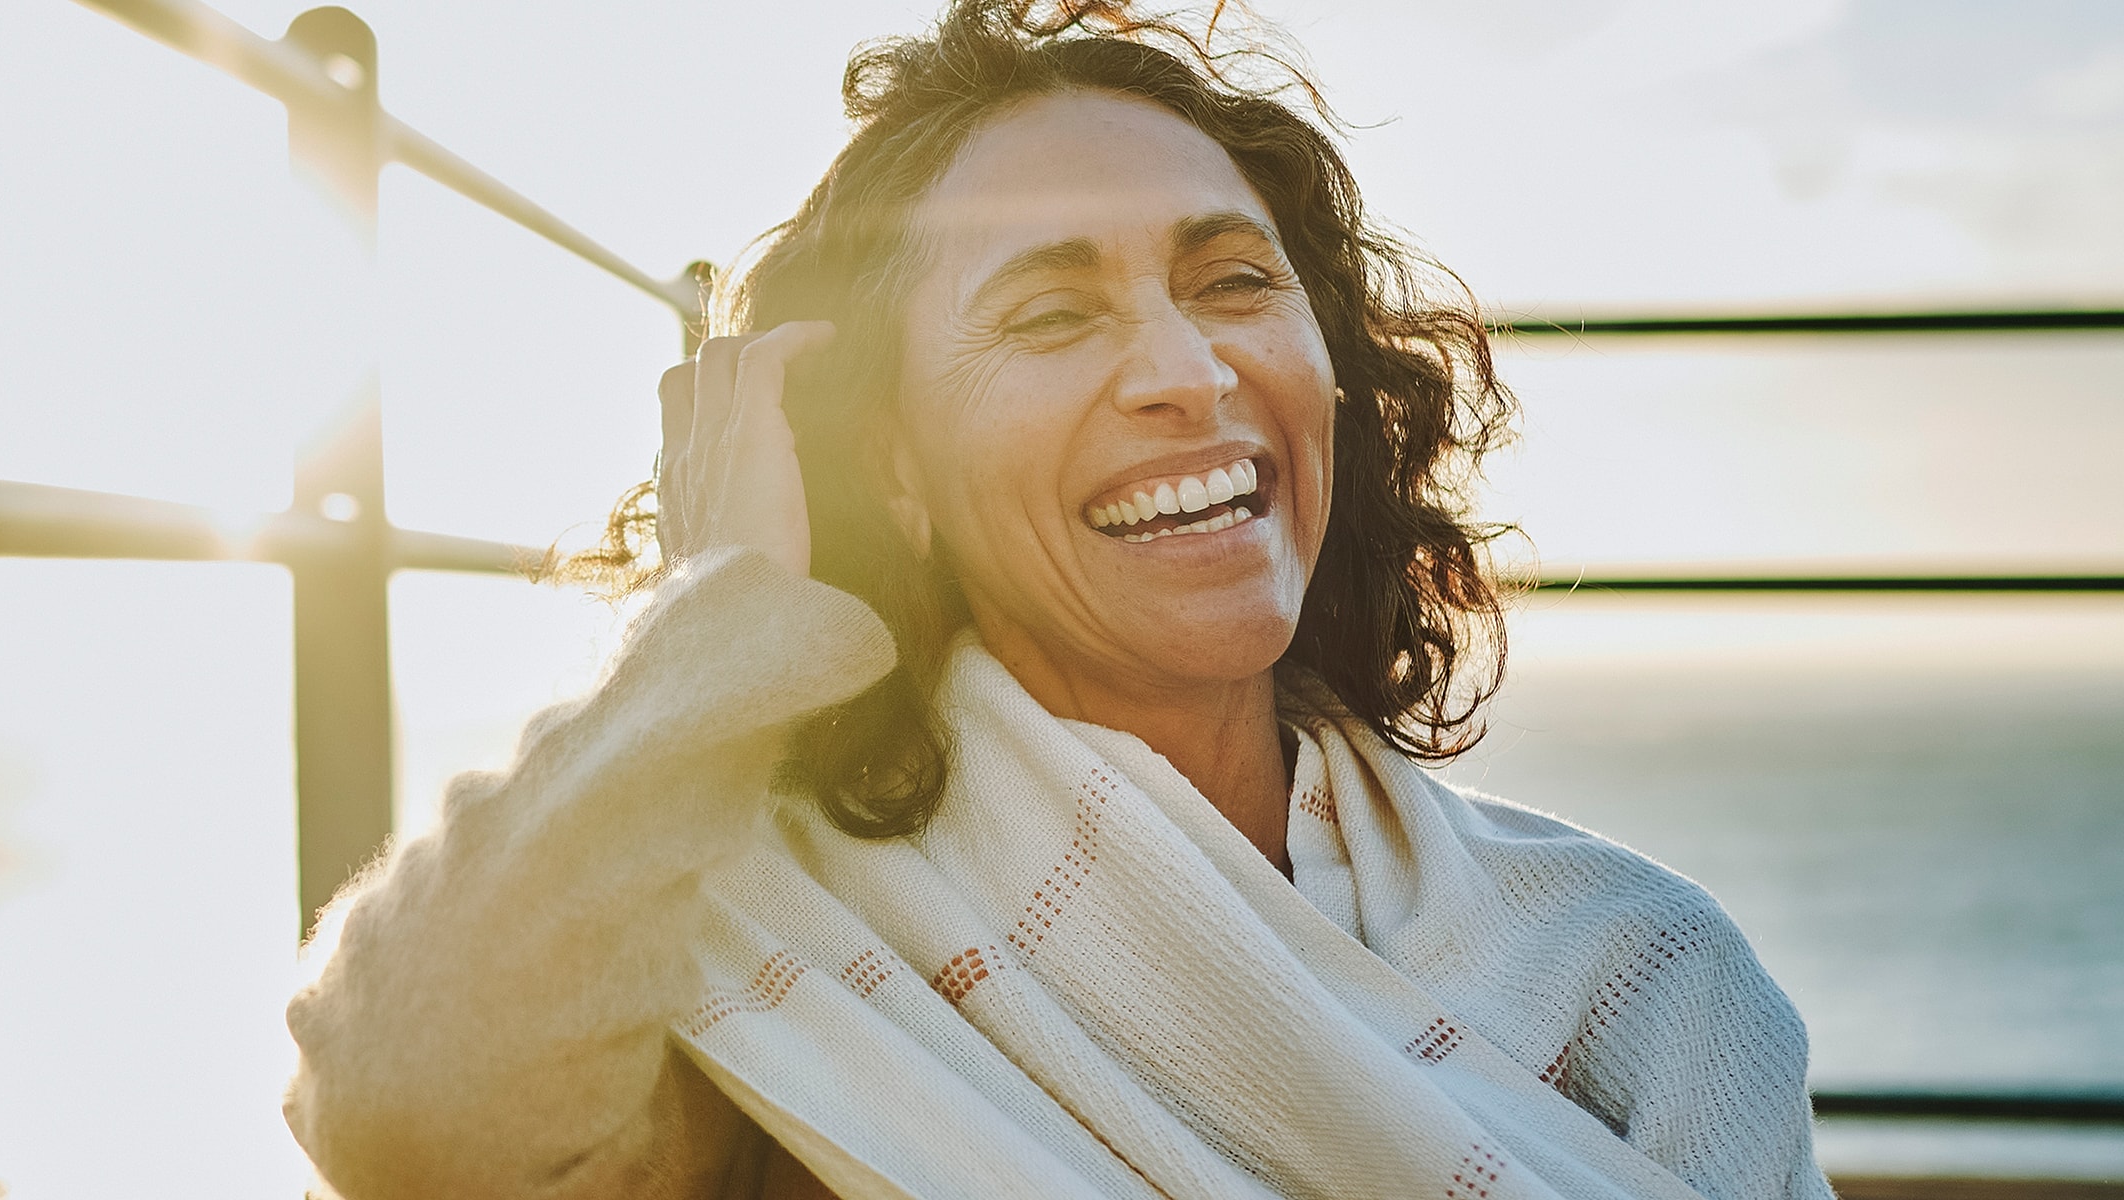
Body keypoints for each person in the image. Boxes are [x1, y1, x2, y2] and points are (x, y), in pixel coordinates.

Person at [284, 2, 1830, 1197]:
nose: (1185, 372)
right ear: (890, 466)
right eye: (1049, 311)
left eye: (1233, 283)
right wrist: (723, 607)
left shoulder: (1643, 972)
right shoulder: (768, 957)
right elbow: (409, 1106)